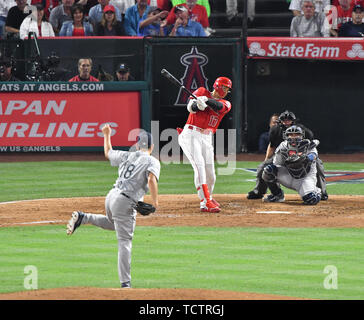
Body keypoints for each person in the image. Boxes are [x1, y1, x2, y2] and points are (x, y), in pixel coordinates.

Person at [66, 126, 160, 289]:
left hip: (111, 196)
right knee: (125, 241)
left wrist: (107, 135)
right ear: (152, 147)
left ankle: (84, 217)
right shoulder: (152, 160)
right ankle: (125, 284)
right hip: (125, 201)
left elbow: (108, 152)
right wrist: (156, 202)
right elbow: (151, 180)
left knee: (113, 223)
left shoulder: (127, 155)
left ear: (137, 146)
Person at [178, 76, 232, 213]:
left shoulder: (226, 103)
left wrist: (207, 101)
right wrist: (198, 104)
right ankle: (205, 202)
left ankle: (209, 197)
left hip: (206, 138)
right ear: (217, 85)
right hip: (191, 134)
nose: (226, 91)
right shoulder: (201, 91)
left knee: (211, 174)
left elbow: (219, 107)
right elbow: (190, 107)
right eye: (224, 87)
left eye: (228, 89)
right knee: (199, 166)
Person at [247, 110, 328, 201]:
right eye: (290, 134)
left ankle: (321, 191)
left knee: (318, 165)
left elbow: (311, 147)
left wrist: (309, 158)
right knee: (265, 168)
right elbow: (272, 146)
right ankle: (265, 192)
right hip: (283, 155)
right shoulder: (275, 131)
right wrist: (266, 160)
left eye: (296, 134)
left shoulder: (305, 131)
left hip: (303, 154)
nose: (286, 122)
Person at [261, 125, 322, 205]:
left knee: (311, 199)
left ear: (301, 135)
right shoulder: (283, 146)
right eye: (291, 134)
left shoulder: (308, 145)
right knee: (268, 171)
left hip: (305, 177)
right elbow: (277, 165)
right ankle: (277, 195)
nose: (294, 137)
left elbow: (313, 156)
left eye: (296, 134)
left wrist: (303, 159)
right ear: (286, 136)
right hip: (288, 174)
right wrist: (290, 162)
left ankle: (316, 191)